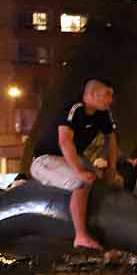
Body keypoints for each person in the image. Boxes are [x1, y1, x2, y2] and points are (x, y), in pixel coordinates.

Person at [30, 78, 117, 250]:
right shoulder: (74, 108)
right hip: (45, 160)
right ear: (91, 94)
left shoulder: (103, 113)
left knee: (105, 183)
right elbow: (65, 141)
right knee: (80, 182)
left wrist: (111, 169)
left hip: (72, 157)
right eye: (107, 94)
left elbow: (111, 140)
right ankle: (80, 235)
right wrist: (78, 171)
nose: (111, 99)